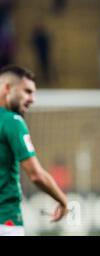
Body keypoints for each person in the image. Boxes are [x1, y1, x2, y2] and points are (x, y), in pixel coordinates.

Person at [0, 65, 68, 236]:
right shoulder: (12, 121)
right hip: (5, 220)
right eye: (27, 91)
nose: (32, 99)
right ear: (7, 88)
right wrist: (63, 201)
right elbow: (36, 174)